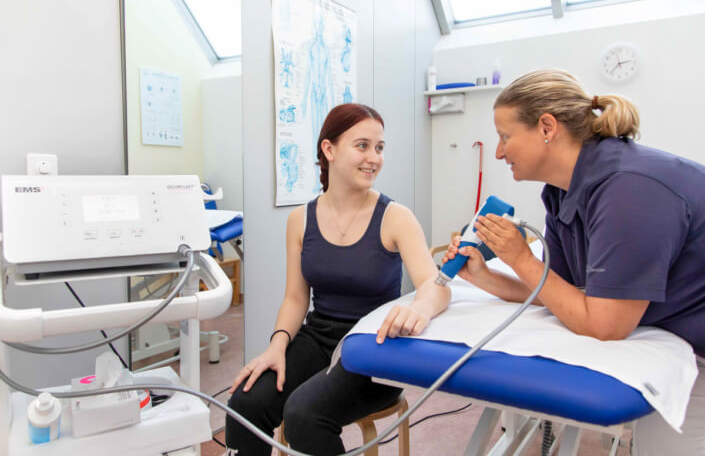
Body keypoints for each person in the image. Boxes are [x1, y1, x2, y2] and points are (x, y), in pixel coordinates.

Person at [443, 68, 705, 455]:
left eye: (504, 137)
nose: (498, 152)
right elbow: (560, 290)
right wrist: (484, 277)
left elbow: (604, 325)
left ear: (547, 127)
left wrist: (519, 257)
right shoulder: (561, 192)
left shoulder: (629, 190)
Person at [225, 103, 451, 455]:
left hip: (374, 347)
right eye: (362, 146)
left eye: (379, 148)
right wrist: (277, 345)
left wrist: (420, 307)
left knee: (303, 415)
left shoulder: (395, 217)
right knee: (246, 403)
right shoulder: (300, 219)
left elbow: (436, 287)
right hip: (318, 339)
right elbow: (296, 299)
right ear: (328, 150)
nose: (373, 158)